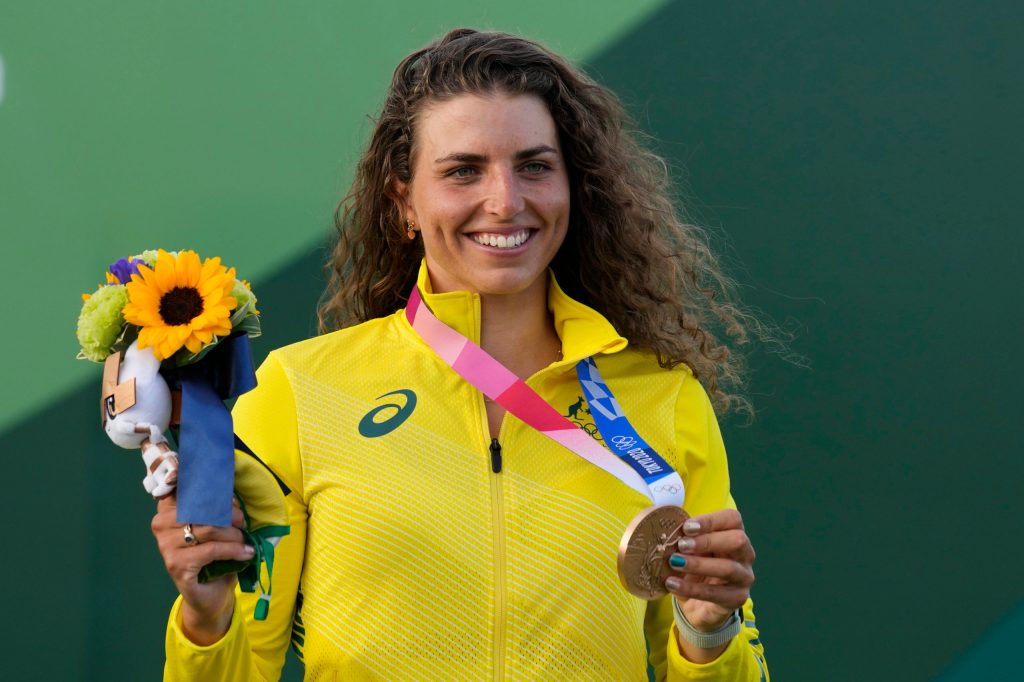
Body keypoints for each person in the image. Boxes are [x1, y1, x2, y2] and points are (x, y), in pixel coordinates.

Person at [151, 28, 771, 681]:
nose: (506, 201)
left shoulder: (662, 396)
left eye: (535, 165)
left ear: (572, 188)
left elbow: (727, 651)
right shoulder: (299, 394)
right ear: (404, 203)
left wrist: (709, 631)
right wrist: (207, 620)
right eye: (463, 170)